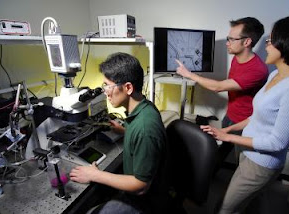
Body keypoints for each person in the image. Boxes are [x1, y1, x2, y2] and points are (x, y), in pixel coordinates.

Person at [202, 14, 289, 213]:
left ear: (288, 44)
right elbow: (256, 117)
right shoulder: (275, 75)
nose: (266, 45)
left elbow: (278, 142)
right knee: (248, 203)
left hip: (262, 163)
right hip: (248, 153)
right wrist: (230, 129)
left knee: (225, 208)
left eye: (270, 41)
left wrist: (227, 136)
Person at [70, 52, 167, 214]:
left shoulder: (145, 129)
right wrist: (125, 130)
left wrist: (95, 175)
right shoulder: (145, 107)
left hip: (144, 202)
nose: (105, 92)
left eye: (108, 85)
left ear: (128, 87)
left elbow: (140, 186)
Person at [176, 17, 268, 166]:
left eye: (231, 39)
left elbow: (218, 87)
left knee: (243, 162)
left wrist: (189, 74)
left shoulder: (257, 70)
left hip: (245, 123)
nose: (227, 43)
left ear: (247, 42)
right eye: (227, 38)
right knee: (220, 150)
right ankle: (208, 177)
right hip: (230, 115)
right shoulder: (237, 58)